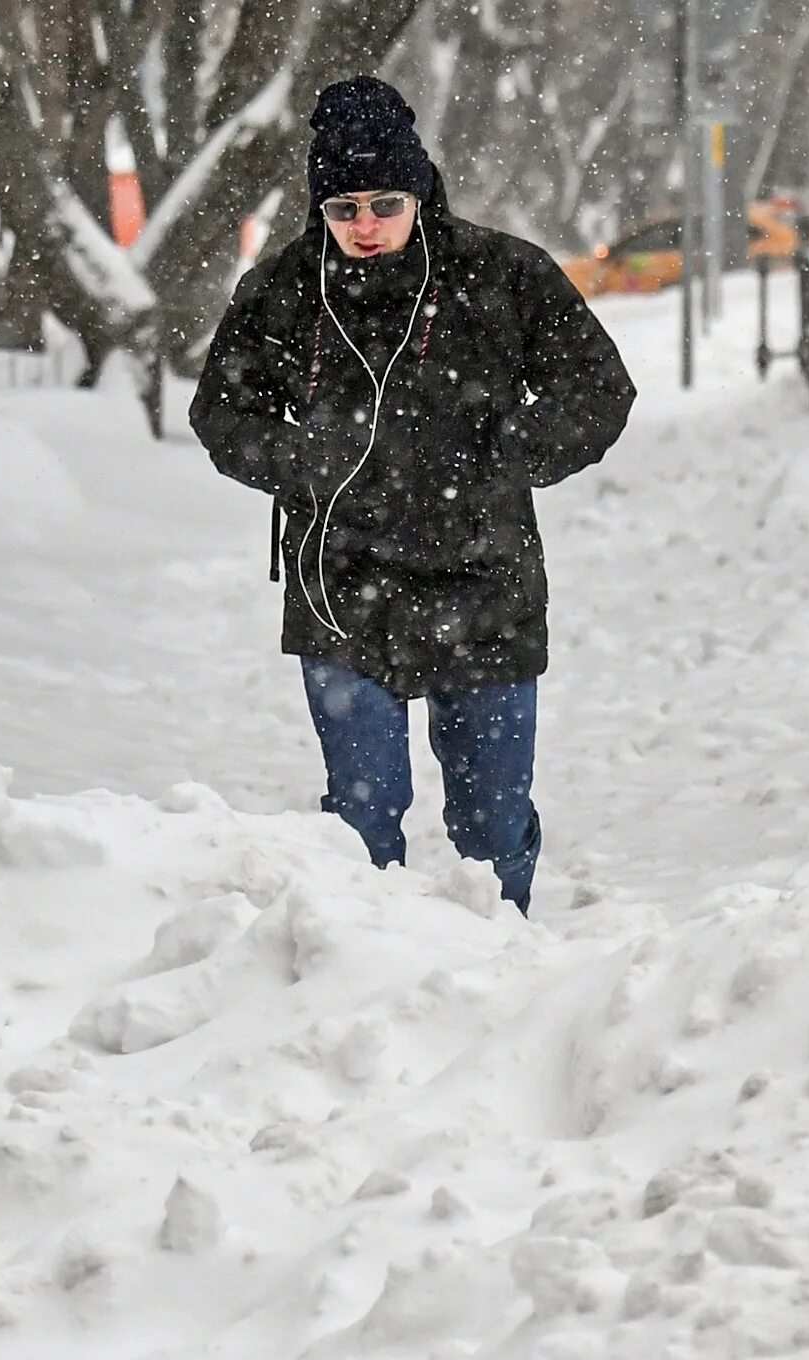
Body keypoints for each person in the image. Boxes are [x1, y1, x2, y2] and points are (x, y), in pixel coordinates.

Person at [189, 76, 636, 914]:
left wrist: (508, 454)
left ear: (420, 190)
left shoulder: (501, 276)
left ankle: (501, 963)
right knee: (359, 822)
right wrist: (300, 459)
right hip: (340, 586)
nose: (364, 227)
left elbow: (598, 388)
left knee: (492, 823)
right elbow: (222, 409)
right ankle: (364, 972)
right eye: (343, 208)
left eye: (385, 203)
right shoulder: (285, 292)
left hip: (483, 583)